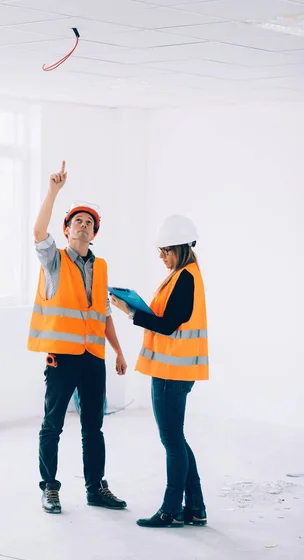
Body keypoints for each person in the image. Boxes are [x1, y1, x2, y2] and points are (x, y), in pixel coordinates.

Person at [28, 160, 128, 514]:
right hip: (62, 357)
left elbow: (103, 315)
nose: (83, 226)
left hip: (93, 357)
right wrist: (54, 191)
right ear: (67, 230)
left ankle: (94, 488)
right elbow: (38, 231)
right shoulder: (54, 260)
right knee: (52, 424)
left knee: (93, 428)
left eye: (89, 223)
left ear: (94, 234)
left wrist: (117, 351)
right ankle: (49, 488)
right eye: (77, 222)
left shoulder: (100, 267)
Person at [111, 215, 208, 528]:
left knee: (172, 441)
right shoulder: (182, 274)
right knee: (176, 439)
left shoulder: (185, 278)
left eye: (165, 250)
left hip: (172, 373)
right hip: (173, 370)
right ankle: (195, 508)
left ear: (179, 248)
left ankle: (171, 510)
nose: (161, 255)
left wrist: (130, 312)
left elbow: (167, 325)